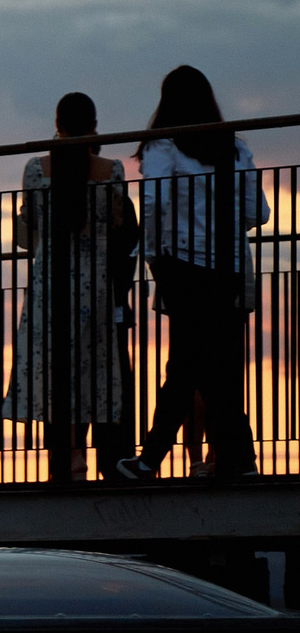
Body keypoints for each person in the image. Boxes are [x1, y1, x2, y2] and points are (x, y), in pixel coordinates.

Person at [117, 66, 264, 482]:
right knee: (217, 368)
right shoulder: (235, 148)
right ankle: (242, 461)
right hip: (229, 267)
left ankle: (150, 461)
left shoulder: (163, 146)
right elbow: (258, 212)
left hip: (182, 266)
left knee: (186, 366)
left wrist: (152, 255)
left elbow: (154, 203)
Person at [3, 93, 139, 481]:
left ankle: (69, 459)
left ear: (57, 125)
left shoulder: (35, 169)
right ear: (94, 127)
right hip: (95, 282)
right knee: (93, 370)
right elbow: (117, 224)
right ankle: (94, 459)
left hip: (49, 282)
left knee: (53, 372)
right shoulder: (111, 170)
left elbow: (28, 230)